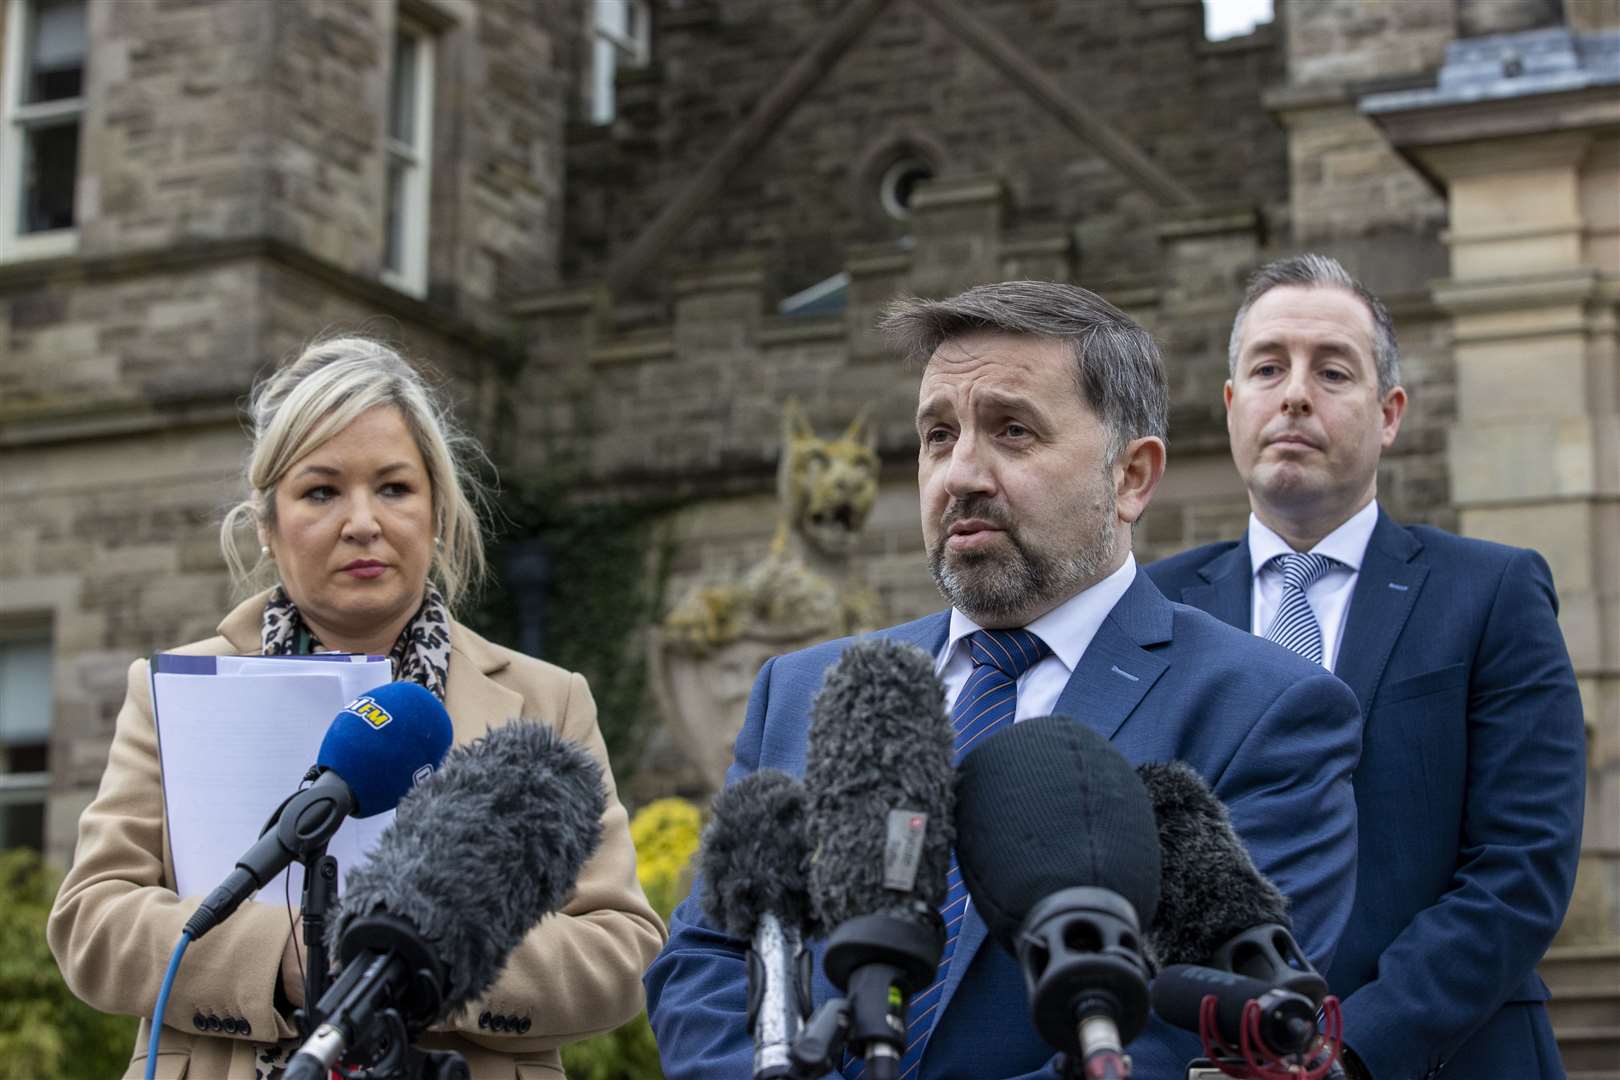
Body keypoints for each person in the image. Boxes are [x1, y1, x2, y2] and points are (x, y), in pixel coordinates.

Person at [645, 281, 1362, 1079]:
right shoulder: (804, 689)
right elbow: (706, 960)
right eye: (938, 435)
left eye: (1012, 431)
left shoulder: (1264, 711)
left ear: (1132, 477)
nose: (961, 474)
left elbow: (1193, 1038)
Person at [48, 337, 666, 1079]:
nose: (363, 522)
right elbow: (92, 922)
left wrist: (421, 961)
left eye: (395, 488)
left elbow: (622, 950)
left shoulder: (545, 701)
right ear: (268, 526)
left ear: (437, 510)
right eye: (321, 491)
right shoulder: (172, 690)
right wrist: (291, 960)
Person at [1147, 254, 1586, 1079]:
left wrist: (1350, 1046)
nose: (1297, 393)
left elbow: (1523, 863)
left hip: (1445, 1057)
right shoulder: (1154, 609)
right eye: (1269, 367)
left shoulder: (1491, 591)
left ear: (1389, 415)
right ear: (1234, 405)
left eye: (1333, 370)